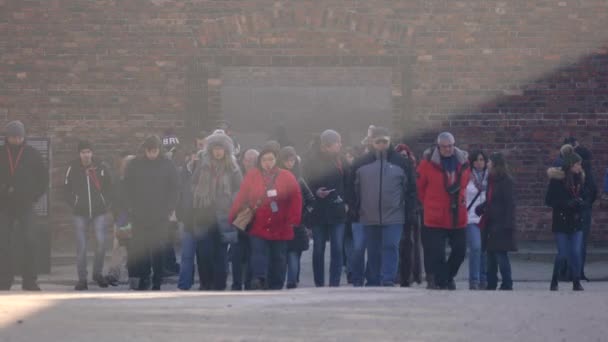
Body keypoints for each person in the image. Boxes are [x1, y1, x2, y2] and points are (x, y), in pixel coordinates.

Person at [229, 145, 302, 290]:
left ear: (276, 160)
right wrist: (233, 216)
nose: (268, 163)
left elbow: (296, 197)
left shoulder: (287, 176)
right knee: (258, 252)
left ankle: (276, 283)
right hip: (258, 223)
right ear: (260, 161)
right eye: (264, 160)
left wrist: (293, 219)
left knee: (279, 256)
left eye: (271, 159)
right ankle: (259, 278)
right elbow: (242, 196)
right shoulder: (252, 175)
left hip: (281, 224)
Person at [350, 127, 416, 287]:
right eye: (378, 141)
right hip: (368, 214)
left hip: (395, 214)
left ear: (389, 141)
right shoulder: (360, 163)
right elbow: (352, 189)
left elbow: (411, 190)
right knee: (373, 250)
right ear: (372, 142)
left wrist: (410, 211)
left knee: (391, 245)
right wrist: (354, 209)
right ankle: (373, 279)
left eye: (384, 141)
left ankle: (387, 279)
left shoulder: (402, 163)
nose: (381, 145)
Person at [416, 132, 470, 290]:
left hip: (457, 215)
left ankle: (446, 277)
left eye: (450, 146)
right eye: (444, 147)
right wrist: (431, 202)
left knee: (460, 251)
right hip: (435, 215)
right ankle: (443, 281)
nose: (447, 149)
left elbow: (465, 183)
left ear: (454, 145)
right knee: (437, 253)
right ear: (438, 147)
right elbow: (420, 188)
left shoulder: (463, 162)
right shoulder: (427, 163)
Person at [124, 135, 179, 290]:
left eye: (154, 151)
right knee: (142, 249)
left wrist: (169, 208)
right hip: (139, 214)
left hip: (160, 215)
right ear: (145, 150)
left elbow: (175, 187)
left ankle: (157, 280)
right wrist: (130, 207)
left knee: (158, 249)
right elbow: (127, 187)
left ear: (158, 150)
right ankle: (144, 277)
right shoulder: (135, 164)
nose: (152, 154)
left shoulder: (167, 165)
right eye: (149, 151)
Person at [0, 121, 48, 291]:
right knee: (3, 242)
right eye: (13, 137)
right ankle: (4, 279)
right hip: (4, 205)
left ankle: (29, 280)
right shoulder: (1, 153)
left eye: (20, 137)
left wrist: (34, 196)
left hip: (25, 204)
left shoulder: (32, 154)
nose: (17, 140)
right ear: (7, 137)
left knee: (29, 240)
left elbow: (43, 178)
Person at [192, 131, 242, 291]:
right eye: (215, 148)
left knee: (221, 253)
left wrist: (229, 200)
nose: (218, 151)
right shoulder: (202, 165)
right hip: (204, 214)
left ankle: (220, 284)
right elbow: (192, 185)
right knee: (204, 252)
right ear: (211, 150)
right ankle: (205, 283)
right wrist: (200, 196)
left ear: (226, 150)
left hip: (223, 214)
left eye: (221, 148)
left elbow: (239, 189)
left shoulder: (233, 167)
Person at [64, 141, 113, 290]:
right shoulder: (73, 167)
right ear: (79, 154)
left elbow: (109, 186)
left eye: (88, 151)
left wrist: (106, 203)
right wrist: (74, 203)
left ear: (92, 153)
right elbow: (66, 188)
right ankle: (82, 279)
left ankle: (97, 274)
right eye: (83, 152)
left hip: (99, 211)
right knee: (82, 246)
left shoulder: (100, 166)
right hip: (80, 212)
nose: (86, 154)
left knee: (101, 242)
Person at [304, 129, 349, 287]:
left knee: (337, 248)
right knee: (318, 248)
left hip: (337, 210)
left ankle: (334, 282)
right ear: (327, 145)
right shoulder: (311, 161)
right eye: (338, 142)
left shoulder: (341, 161)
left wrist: (347, 202)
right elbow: (306, 183)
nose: (340, 145)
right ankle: (319, 282)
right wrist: (316, 191)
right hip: (318, 211)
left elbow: (348, 183)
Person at [545, 151, 590, 291]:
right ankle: (554, 279)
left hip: (576, 219)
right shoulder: (557, 180)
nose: (579, 167)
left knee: (576, 252)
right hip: (562, 220)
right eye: (577, 164)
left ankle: (576, 281)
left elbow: (586, 195)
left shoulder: (580, 179)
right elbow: (549, 200)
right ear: (570, 165)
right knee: (563, 253)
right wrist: (566, 203)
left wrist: (582, 202)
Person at [476, 152, 517, 291]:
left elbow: (510, 204)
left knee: (500, 254)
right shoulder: (492, 180)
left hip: (501, 223)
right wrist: (481, 208)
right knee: (490, 254)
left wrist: (508, 224)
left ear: (495, 164)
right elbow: (491, 200)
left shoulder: (506, 181)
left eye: (489, 162)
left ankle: (507, 282)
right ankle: (491, 283)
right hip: (491, 222)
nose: (487, 164)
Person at [279, 146, 315, 289]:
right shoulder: (278, 178)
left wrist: (302, 215)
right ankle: (288, 280)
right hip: (281, 223)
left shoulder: (298, 180)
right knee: (285, 253)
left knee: (293, 253)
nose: (290, 163)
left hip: (295, 223)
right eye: (287, 160)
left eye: (292, 160)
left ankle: (292, 281)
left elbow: (311, 200)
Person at [562, 137, 596, 281]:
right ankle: (578, 272)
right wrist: (587, 203)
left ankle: (567, 272)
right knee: (580, 242)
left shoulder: (567, 167)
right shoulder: (586, 169)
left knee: (569, 241)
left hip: (570, 208)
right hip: (584, 208)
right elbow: (593, 189)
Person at [105, 153, 136, 288]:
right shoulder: (119, 180)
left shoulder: (136, 181)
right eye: (126, 164)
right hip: (123, 216)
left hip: (132, 216)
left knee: (125, 247)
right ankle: (115, 274)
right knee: (119, 246)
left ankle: (129, 274)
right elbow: (115, 199)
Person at [394, 143, 423, 286]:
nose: (403, 158)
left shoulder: (414, 170)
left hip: (411, 211)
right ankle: (399, 275)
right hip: (396, 211)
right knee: (397, 244)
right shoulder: (393, 170)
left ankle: (412, 274)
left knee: (411, 245)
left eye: (405, 155)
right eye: (400, 156)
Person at [464, 149, 488, 290]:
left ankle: (483, 279)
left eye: (482, 160)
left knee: (484, 249)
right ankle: (474, 279)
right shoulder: (467, 176)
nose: (479, 163)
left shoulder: (489, 176)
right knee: (476, 247)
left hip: (486, 218)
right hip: (471, 217)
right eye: (476, 160)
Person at [176, 150, 198, 290]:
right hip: (188, 219)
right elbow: (179, 194)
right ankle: (184, 284)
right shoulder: (183, 173)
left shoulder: (207, 172)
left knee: (203, 256)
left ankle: (207, 284)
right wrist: (179, 214)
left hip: (204, 220)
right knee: (187, 255)